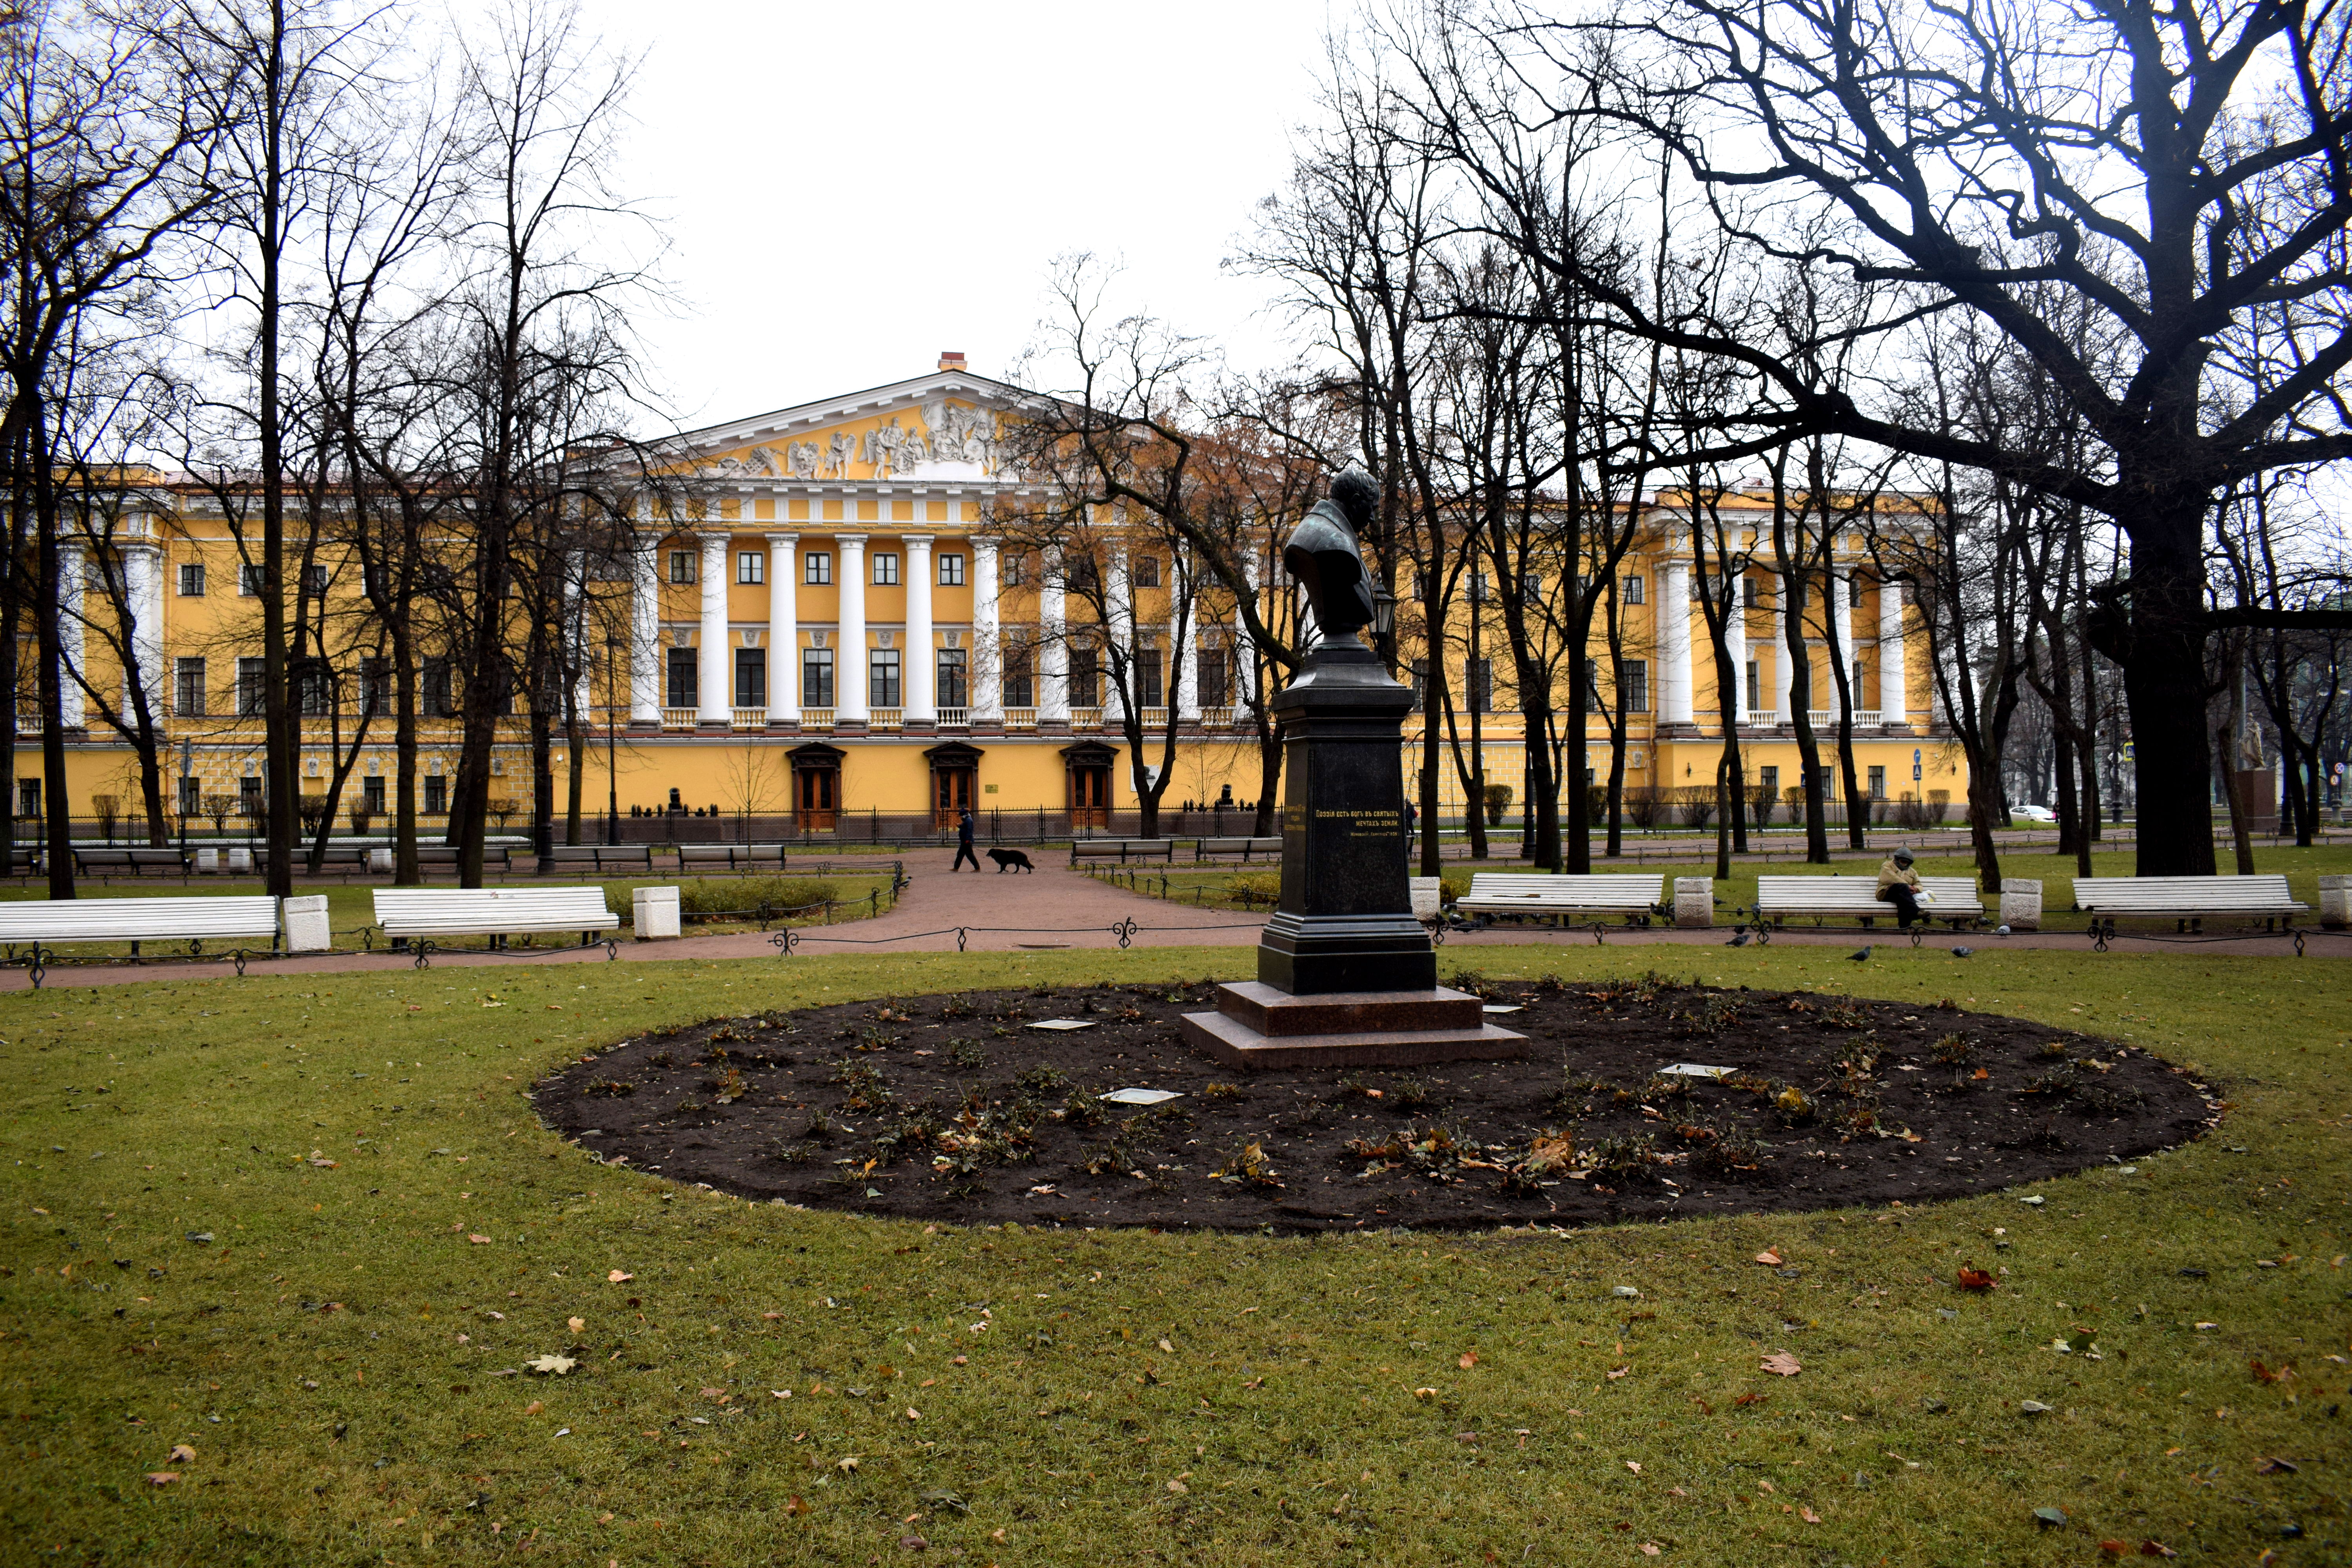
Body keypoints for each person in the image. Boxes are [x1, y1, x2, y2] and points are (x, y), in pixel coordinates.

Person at [1876, 845, 1926, 928]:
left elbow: (1918, 883)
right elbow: (1890, 878)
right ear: (1897, 859)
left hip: (1903, 896)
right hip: (1885, 893)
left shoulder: (1912, 872)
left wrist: (1916, 889)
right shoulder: (1887, 866)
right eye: (1902, 861)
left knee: (1903, 899)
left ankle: (1905, 927)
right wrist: (1908, 886)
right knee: (1902, 888)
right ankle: (1916, 911)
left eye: (1907, 862)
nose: (1904, 864)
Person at [952, 806, 980, 872]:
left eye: (961, 816)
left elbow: (970, 830)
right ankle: (956, 868)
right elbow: (965, 828)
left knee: (969, 855)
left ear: (964, 815)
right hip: (964, 841)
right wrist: (960, 826)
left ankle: (977, 868)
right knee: (961, 854)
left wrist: (968, 839)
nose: (961, 817)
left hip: (967, 841)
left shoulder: (969, 820)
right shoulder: (967, 820)